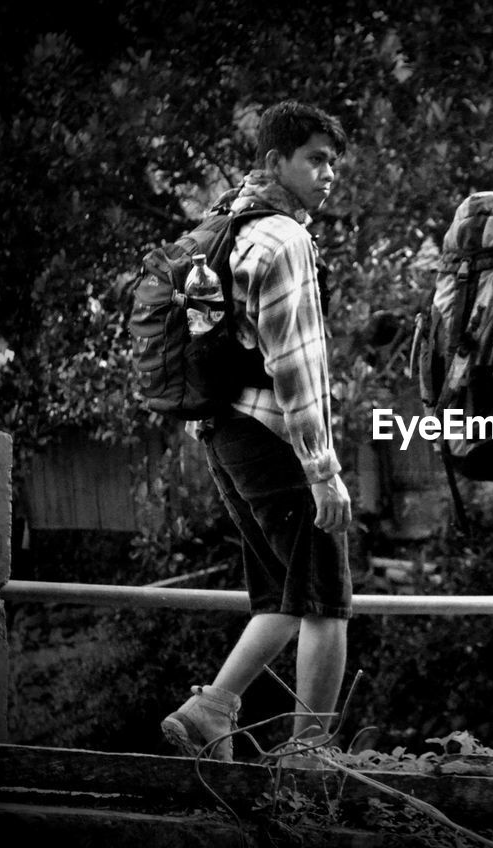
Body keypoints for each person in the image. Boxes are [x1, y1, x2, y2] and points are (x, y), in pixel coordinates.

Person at [161, 101, 353, 762]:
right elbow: (297, 369)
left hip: (220, 435)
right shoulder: (286, 240)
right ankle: (312, 758)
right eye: (316, 160)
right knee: (326, 600)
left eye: (335, 162)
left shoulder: (215, 225)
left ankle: (212, 714)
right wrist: (323, 470)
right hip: (272, 439)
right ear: (276, 161)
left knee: (283, 595)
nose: (330, 175)